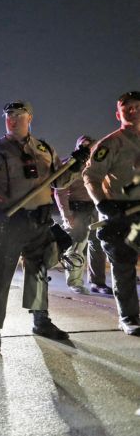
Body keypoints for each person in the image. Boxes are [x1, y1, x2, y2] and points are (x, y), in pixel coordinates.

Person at [0, 100, 89, 344]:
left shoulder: (44, 149)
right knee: (0, 278)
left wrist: (78, 162)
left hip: (38, 225)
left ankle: (40, 321)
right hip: (7, 225)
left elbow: (60, 181)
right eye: (8, 115)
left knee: (38, 274)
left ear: (29, 118)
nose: (12, 119)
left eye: (18, 115)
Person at [83, 91, 140, 336]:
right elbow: (90, 176)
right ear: (118, 114)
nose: (133, 111)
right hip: (121, 212)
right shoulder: (110, 144)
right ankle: (129, 317)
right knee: (124, 265)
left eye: (138, 106)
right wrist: (103, 205)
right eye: (127, 108)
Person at [54, 136, 110, 295]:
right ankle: (74, 282)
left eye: (89, 146)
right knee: (76, 248)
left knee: (98, 246)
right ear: (77, 147)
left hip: (96, 209)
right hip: (77, 209)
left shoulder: (98, 164)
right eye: (82, 146)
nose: (86, 149)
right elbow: (60, 191)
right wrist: (66, 215)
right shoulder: (70, 165)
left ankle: (97, 283)